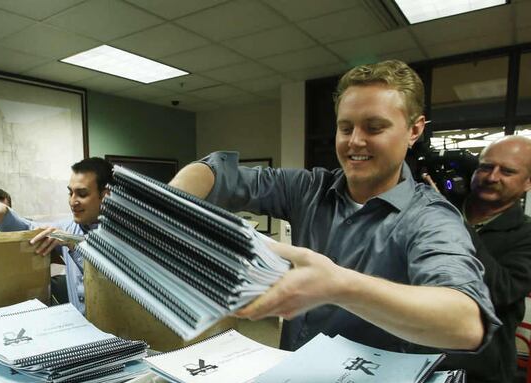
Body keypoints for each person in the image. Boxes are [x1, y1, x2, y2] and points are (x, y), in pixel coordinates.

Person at [169, 60, 498, 356]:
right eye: (345, 127)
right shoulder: (310, 188)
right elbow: (215, 175)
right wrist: (166, 206)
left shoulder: (430, 217)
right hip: (292, 381)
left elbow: (465, 324)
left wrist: (340, 286)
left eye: (374, 127)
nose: (355, 141)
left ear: (414, 130)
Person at [426, 136, 531, 383]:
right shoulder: (432, 208)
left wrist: (452, 222)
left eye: (507, 172)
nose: (492, 177)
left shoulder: (525, 235)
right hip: (416, 362)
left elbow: (503, 290)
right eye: (485, 167)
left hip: (479, 376)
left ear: (527, 183)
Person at [0, 157, 113, 313]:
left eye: (82, 194)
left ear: (105, 195)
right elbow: (31, 229)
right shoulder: (69, 227)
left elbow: (112, 284)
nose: (73, 201)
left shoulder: (126, 238)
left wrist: (74, 245)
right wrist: (5, 214)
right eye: (70, 193)